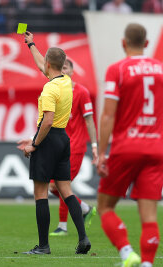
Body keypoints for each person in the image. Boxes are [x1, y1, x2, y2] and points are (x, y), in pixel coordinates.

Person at [17, 31, 91, 255]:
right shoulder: (67, 82)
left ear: (49, 65)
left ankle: (43, 246)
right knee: (66, 190)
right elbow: (44, 64)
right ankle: (83, 239)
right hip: (63, 140)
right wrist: (31, 44)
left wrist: (34, 144)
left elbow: (47, 121)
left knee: (40, 193)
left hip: (48, 141)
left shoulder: (49, 88)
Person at [97, 23, 163, 267]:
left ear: (123, 43)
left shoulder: (118, 70)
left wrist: (102, 153)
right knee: (149, 216)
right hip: (156, 148)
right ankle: (147, 264)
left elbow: (108, 115)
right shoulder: (160, 69)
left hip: (126, 147)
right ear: (146, 44)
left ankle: (127, 253)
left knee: (105, 207)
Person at [49, 59, 97, 236]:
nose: (62, 71)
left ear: (72, 71)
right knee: (54, 187)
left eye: (65, 67)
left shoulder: (82, 92)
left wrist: (94, 145)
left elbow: (89, 120)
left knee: (62, 185)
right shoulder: (55, 91)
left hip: (75, 147)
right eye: (59, 68)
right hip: (59, 147)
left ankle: (63, 227)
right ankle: (84, 208)